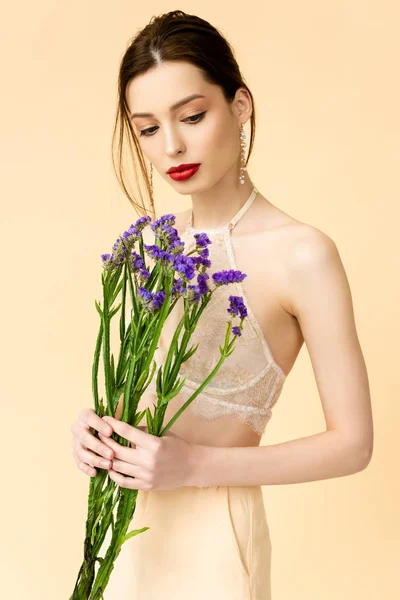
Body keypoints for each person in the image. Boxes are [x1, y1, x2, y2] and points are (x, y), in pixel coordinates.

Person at [70, 10, 374, 599]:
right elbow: (159, 395)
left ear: (240, 105)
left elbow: (353, 444)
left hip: (215, 543)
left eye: (192, 115)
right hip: (121, 528)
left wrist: (196, 467)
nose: (173, 145)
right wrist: (98, 429)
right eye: (149, 128)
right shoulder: (158, 247)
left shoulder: (302, 254)